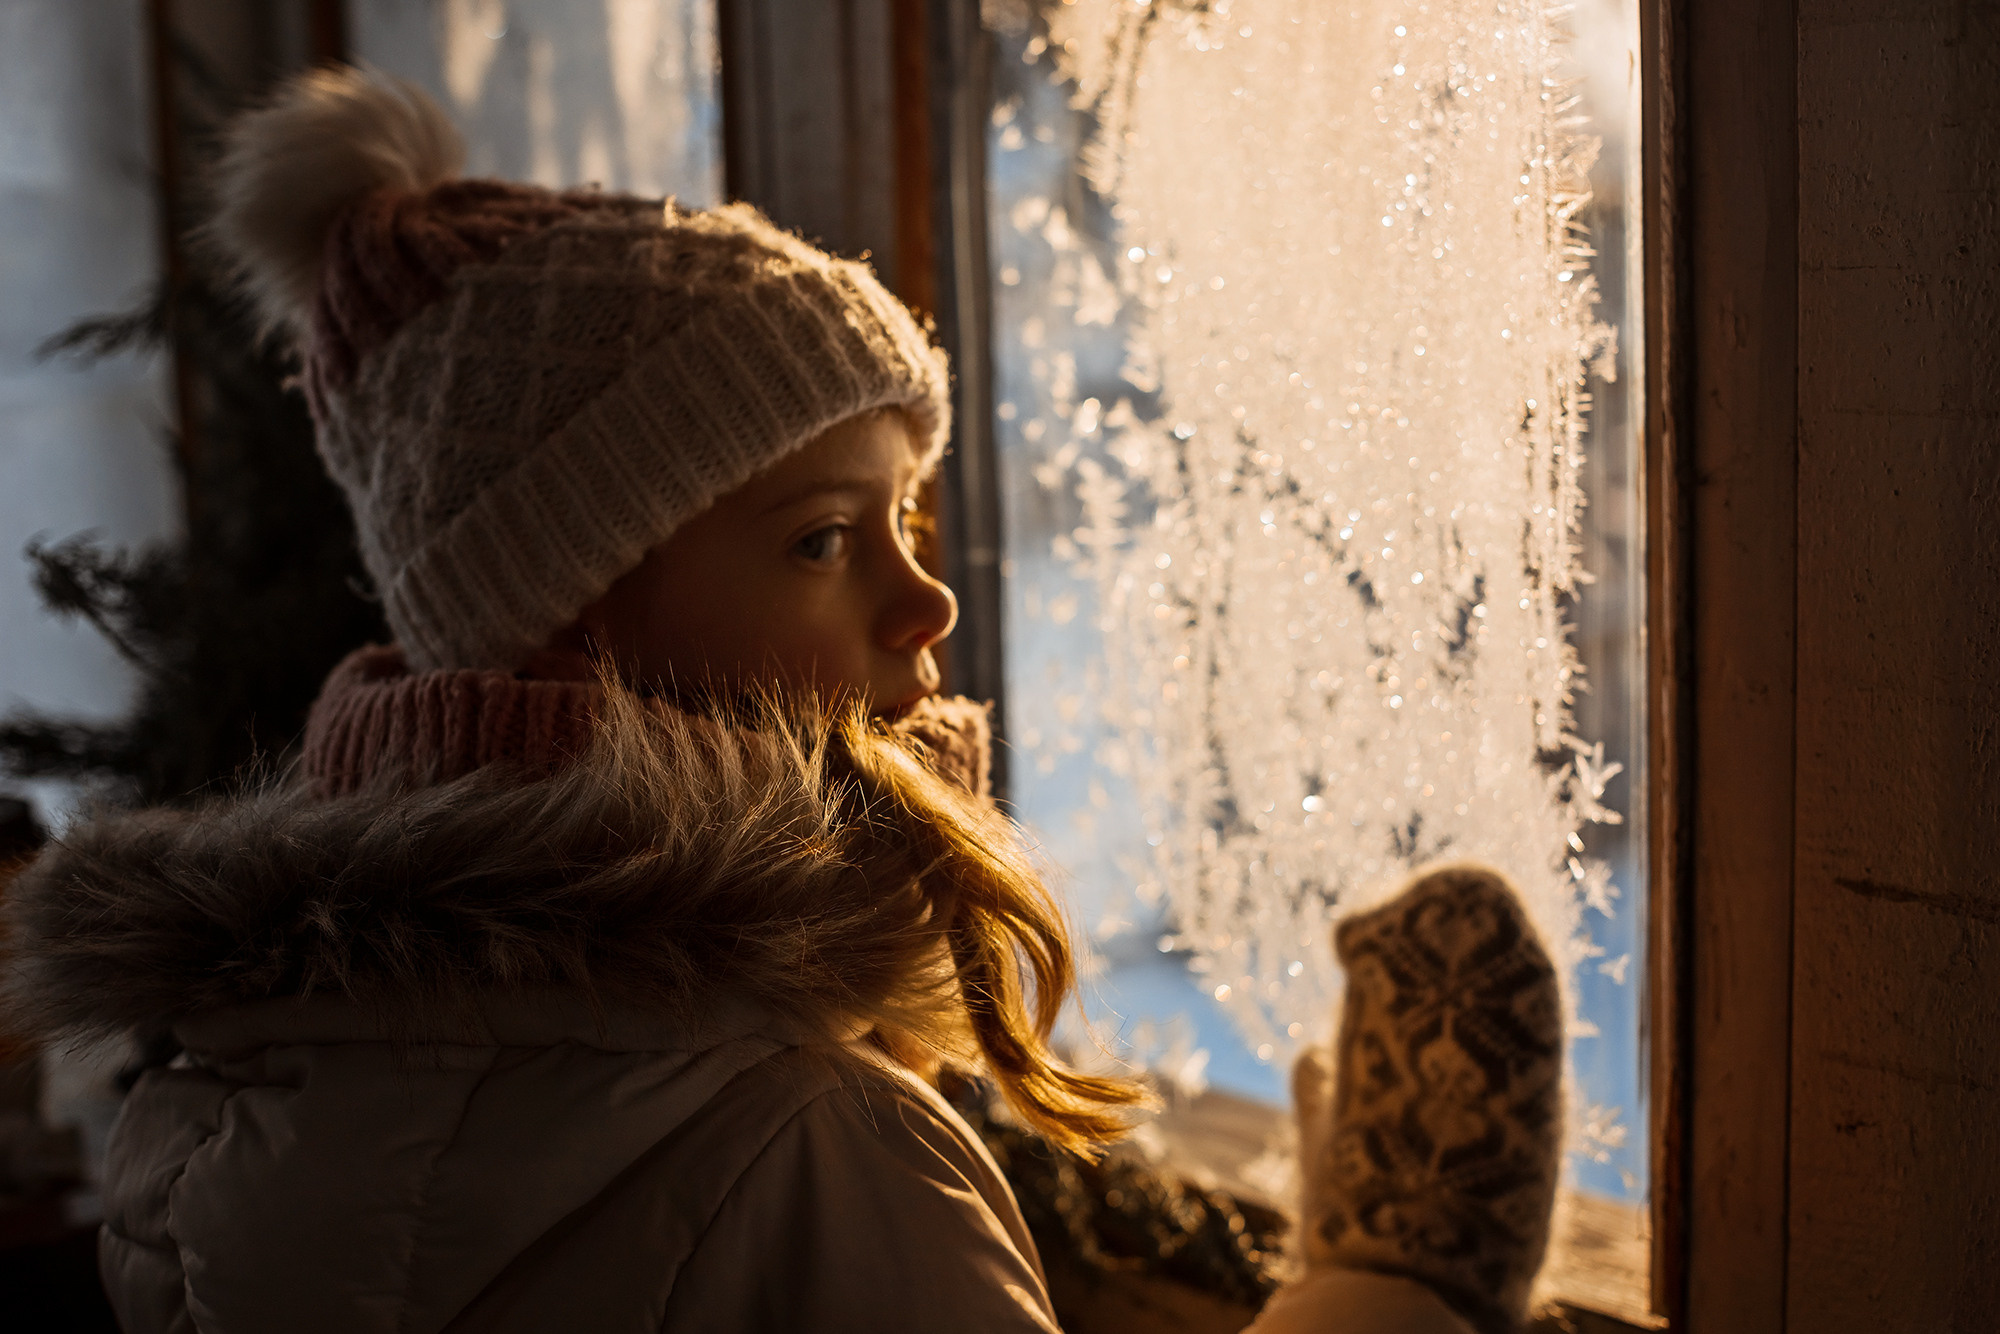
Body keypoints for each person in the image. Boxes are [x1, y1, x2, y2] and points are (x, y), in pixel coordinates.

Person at [1, 68, 1563, 1334]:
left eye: (911, 522)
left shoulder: (225, 1092)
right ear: (566, 633)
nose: (928, 603)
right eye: (824, 538)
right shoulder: (802, 1145)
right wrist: (1386, 1285)